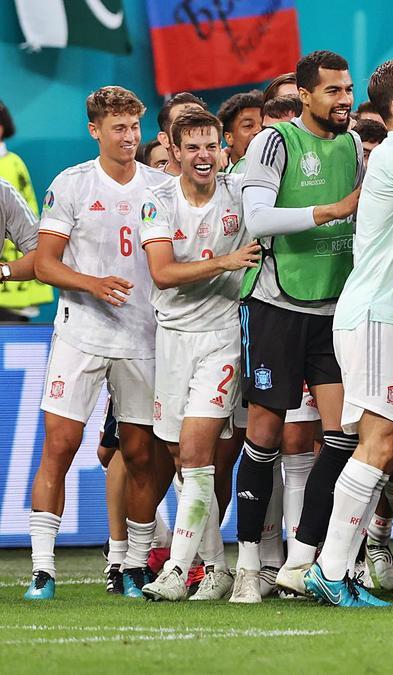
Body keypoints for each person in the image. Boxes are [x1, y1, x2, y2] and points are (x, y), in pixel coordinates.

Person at [302, 57, 393, 608]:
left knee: (389, 448)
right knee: (377, 444)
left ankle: (334, 568)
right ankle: (330, 569)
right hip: (377, 316)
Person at [25, 86, 173, 600]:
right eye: (118, 128)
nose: (129, 137)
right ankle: (43, 569)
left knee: (140, 454)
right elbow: (44, 263)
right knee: (60, 448)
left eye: (134, 127)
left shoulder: (160, 186)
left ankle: (129, 565)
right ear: (95, 130)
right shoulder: (71, 184)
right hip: (81, 334)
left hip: (144, 336)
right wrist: (93, 284)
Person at [231, 50, 364, 603]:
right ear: (305, 96)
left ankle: (303, 558)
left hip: (334, 308)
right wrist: (332, 211)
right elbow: (257, 220)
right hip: (277, 304)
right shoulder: (274, 141)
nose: (344, 100)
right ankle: (247, 566)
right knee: (263, 435)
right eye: (332, 91)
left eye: (348, 89)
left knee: (342, 434)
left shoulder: (355, 143)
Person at [135, 108, 259, 602]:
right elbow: (162, 272)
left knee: (195, 453)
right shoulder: (157, 201)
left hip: (221, 337)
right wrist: (226, 260)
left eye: (212, 146)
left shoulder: (239, 193)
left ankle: (175, 571)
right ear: (175, 149)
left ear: (223, 148)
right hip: (171, 339)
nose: (204, 156)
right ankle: (217, 568)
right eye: (193, 148)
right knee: (181, 460)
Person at [156, 93, 208, 176]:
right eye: (183, 125)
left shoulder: (227, 182)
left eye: (201, 123)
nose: (196, 133)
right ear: (165, 139)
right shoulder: (148, 185)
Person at [217, 91, 264, 173]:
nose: (259, 130)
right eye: (248, 125)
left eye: (263, 126)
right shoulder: (215, 176)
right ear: (229, 138)